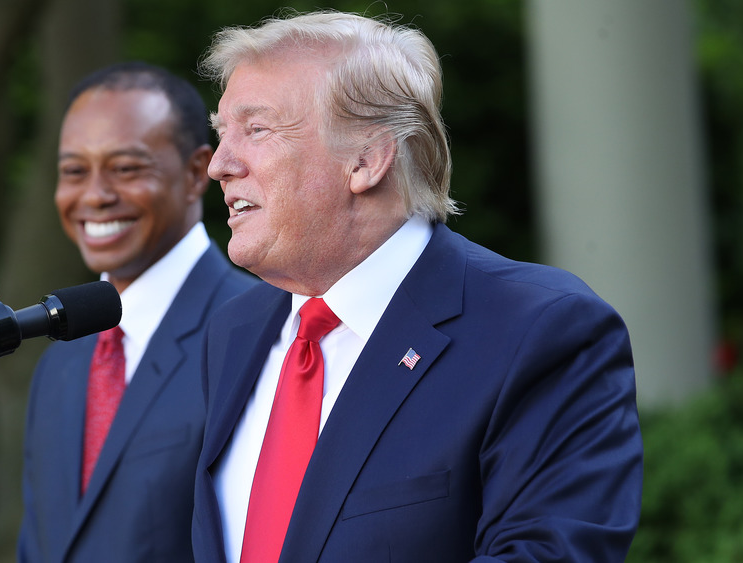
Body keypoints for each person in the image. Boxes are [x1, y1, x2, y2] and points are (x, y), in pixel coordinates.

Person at [191, 11, 644, 563]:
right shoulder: (235, 331)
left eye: (256, 130)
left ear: (366, 159)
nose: (218, 165)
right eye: (221, 135)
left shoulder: (538, 329)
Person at [17, 61, 255, 562]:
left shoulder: (257, 329)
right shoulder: (59, 362)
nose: (96, 196)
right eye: (74, 171)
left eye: (125, 169)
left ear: (196, 173)